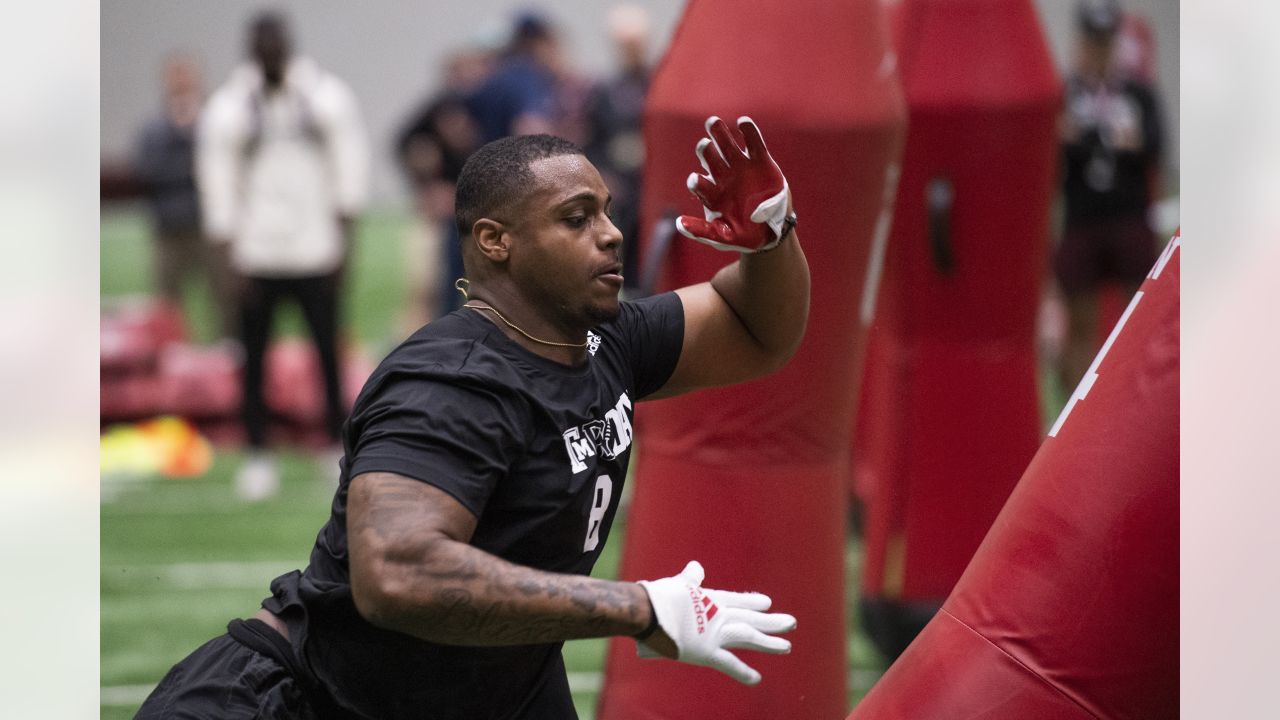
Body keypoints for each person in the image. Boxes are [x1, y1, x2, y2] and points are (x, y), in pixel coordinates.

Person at [138, 116, 809, 718]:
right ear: (495, 242)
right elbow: (398, 573)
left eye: (606, 212)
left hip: (487, 684)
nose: (610, 234)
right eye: (576, 219)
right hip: (308, 701)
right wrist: (641, 608)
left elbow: (758, 331)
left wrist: (771, 236)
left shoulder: (605, 341)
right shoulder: (451, 381)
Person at [196, 12, 370, 500]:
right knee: (252, 359)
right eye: (261, 44)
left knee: (326, 357)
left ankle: (332, 448)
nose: (270, 52)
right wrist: (227, 252)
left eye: (276, 44)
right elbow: (216, 179)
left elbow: (349, 168)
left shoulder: (324, 98)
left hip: (316, 250)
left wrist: (344, 243)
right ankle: (257, 453)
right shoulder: (231, 107)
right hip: (256, 254)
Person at [1053, 0, 1164, 390]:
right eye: (1091, 42)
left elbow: (1153, 149)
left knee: (1140, 323)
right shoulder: (1065, 93)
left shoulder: (1138, 94)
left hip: (1129, 216)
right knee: (1080, 327)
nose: (1097, 52)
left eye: (1104, 42)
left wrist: (1087, 141)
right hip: (1082, 217)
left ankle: (1140, 401)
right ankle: (1073, 414)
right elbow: (1056, 153)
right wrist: (1102, 143)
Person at [134, 53, 237, 340]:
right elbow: (149, 171)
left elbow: (221, 168)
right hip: (169, 228)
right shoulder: (154, 127)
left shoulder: (214, 121)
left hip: (208, 227)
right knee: (167, 303)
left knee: (224, 299)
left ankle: (224, 353)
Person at [583, 4, 652, 294]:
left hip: (649, 185)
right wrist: (603, 174)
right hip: (619, 189)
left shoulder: (656, 85)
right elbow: (593, 139)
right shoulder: (606, 92)